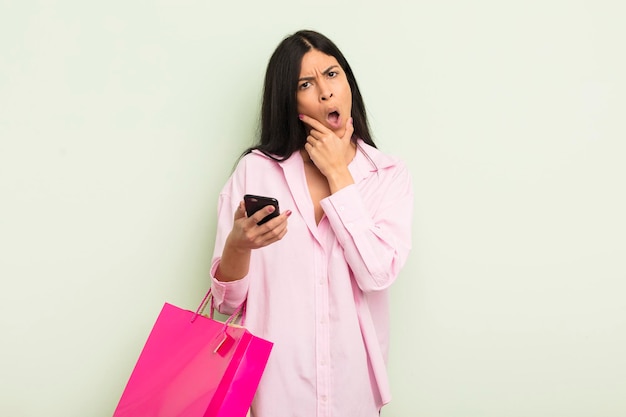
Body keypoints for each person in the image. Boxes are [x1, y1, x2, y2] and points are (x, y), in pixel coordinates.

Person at [209, 29, 413, 417]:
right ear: (289, 99)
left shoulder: (387, 174)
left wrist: (338, 175)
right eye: (306, 83)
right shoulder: (256, 171)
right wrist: (238, 244)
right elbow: (225, 304)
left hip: (354, 389)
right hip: (273, 386)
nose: (325, 92)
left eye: (333, 74)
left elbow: (378, 274)